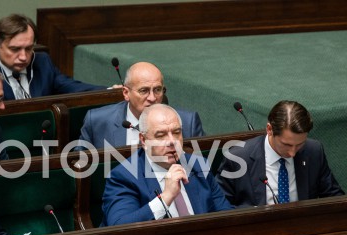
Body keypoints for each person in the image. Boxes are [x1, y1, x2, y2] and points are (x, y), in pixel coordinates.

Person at [101, 104, 232, 226]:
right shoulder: (124, 176)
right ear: (143, 140)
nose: (171, 141)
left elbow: (226, 215)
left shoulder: (198, 165)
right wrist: (166, 197)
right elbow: (119, 227)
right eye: (161, 135)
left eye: (176, 132)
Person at [216, 100, 344, 207]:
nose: (293, 153)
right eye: (287, 145)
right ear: (269, 129)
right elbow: (220, 206)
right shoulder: (238, 157)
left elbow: (334, 197)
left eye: (299, 144)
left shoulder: (313, 151)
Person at [77, 62, 205, 150]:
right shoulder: (97, 121)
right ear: (126, 93)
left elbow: (204, 171)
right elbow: (78, 168)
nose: (152, 98)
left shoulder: (188, 122)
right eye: (144, 91)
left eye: (157, 90)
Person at [0, 13, 107, 100]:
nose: (23, 57)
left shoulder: (42, 62)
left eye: (28, 48)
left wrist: (109, 91)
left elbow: (70, 86)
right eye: (15, 49)